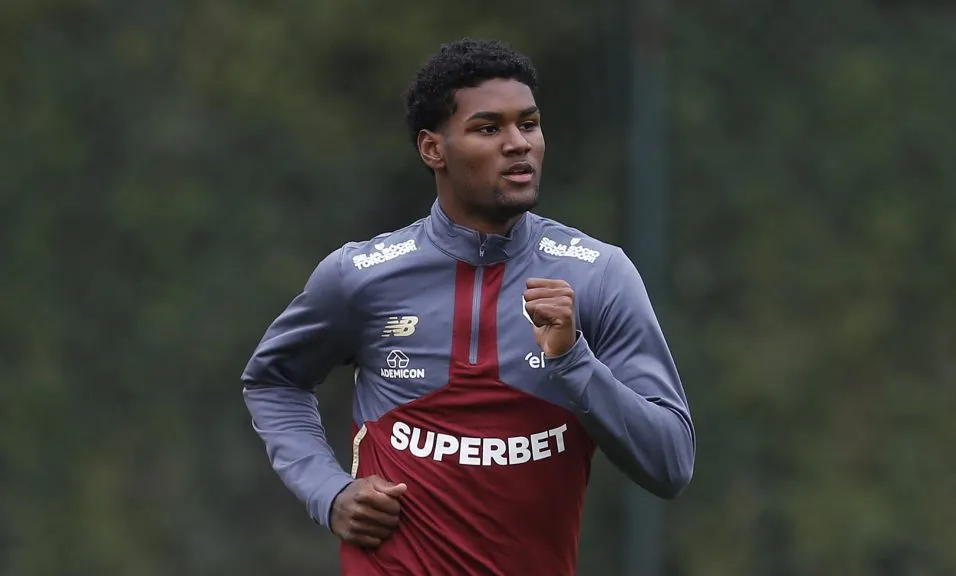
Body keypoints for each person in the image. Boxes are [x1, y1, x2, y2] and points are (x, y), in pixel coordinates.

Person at [241, 37, 695, 575]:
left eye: (528, 124)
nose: (518, 143)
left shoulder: (597, 276)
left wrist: (573, 361)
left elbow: (669, 463)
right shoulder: (360, 276)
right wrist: (329, 491)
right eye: (488, 128)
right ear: (433, 149)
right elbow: (273, 382)